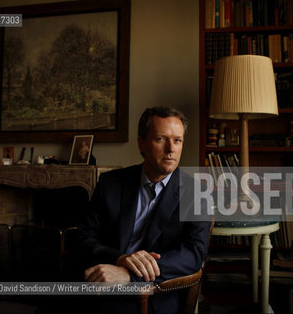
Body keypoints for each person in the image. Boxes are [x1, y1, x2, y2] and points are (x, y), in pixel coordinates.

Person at [76, 106, 211, 313]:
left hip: (155, 293)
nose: (171, 149)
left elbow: (194, 254)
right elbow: (84, 237)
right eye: (160, 139)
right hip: (103, 279)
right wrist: (120, 259)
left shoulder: (196, 192)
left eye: (177, 140)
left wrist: (130, 275)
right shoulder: (110, 183)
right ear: (142, 143)